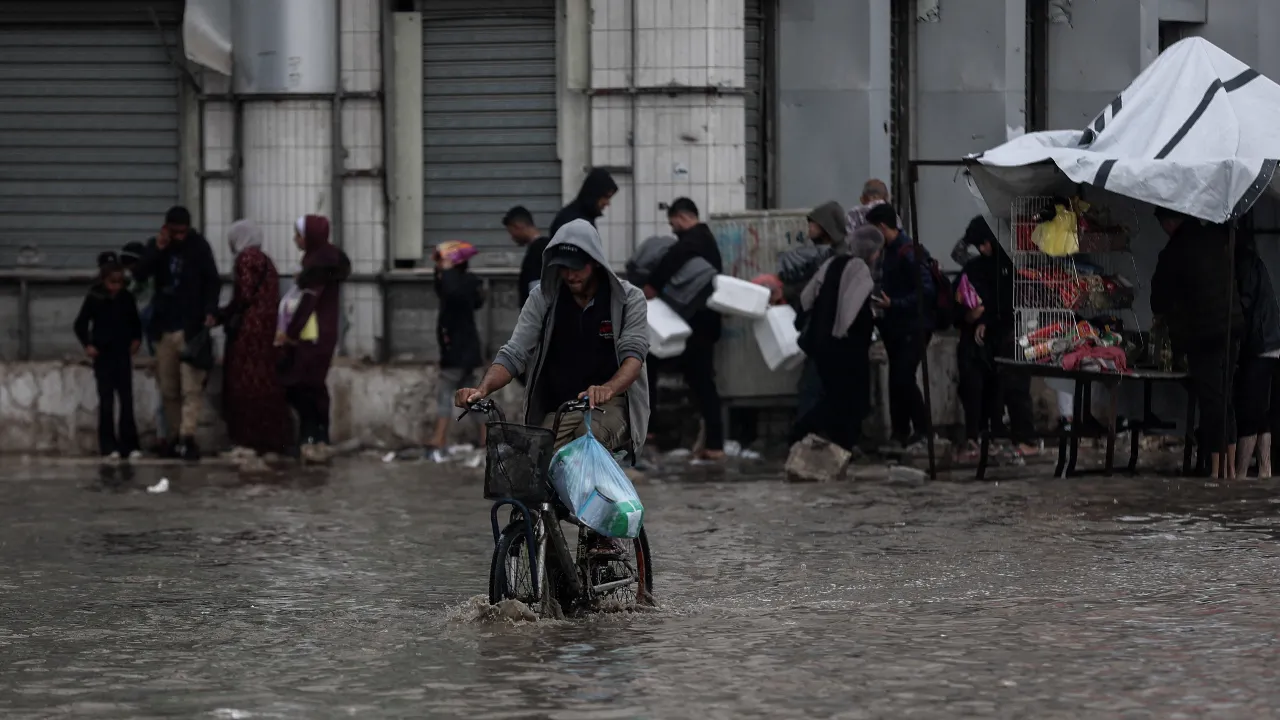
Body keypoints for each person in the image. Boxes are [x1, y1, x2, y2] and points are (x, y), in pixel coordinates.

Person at [1150, 207, 1244, 478]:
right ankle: (1230, 469)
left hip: (1204, 335)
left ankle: (1217, 472)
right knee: (1225, 399)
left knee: (1212, 402)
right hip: (1232, 328)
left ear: (1169, 222)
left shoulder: (1174, 251)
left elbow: (1159, 301)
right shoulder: (1215, 238)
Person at [129, 205, 221, 461]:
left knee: (191, 388)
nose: (179, 237)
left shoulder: (199, 247)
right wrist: (158, 248)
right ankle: (173, 436)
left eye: (183, 232)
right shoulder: (157, 247)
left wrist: (210, 310)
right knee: (169, 388)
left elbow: (212, 281)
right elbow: (139, 273)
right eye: (174, 232)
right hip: (163, 328)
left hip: (190, 327)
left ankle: (187, 436)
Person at [643, 197, 725, 460]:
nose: (673, 229)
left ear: (683, 217)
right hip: (699, 325)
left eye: (673, 223)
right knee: (698, 381)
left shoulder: (696, 240)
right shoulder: (704, 241)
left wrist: (653, 284)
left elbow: (674, 257)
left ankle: (713, 443)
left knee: (700, 381)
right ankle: (710, 441)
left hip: (698, 326)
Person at [791, 225, 882, 452]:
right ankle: (810, 434)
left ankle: (835, 443)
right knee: (848, 399)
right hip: (845, 345)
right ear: (871, 250)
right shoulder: (860, 269)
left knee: (833, 394)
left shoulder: (832, 262)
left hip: (820, 341)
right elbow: (852, 308)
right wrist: (847, 331)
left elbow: (806, 297)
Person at [953, 216, 1036, 460]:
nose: (982, 249)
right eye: (978, 245)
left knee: (1011, 388)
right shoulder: (975, 268)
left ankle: (1015, 436)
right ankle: (976, 435)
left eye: (985, 243)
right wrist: (969, 316)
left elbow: (1011, 302)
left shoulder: (1014, 267)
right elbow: (958, 298)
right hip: (978, 343)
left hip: (1010, 336)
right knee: (972, 385)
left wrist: (987, 318)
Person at [277, 215, 351, 463]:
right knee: (310, 384)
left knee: (305, 383)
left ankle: (313, 435)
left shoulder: (318, 266)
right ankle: (317, 436)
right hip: (317, 333)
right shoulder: (319, 261)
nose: (295, 240)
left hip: (313, 335)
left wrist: (291, 333)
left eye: (299, 235)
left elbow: (308, 302)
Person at [214, 220, 291, 456]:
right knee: (266, 382)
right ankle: (271, 439)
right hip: (268, 330)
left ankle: (247, 439)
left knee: (243, 384)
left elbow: (244, 295)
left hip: (248, 332)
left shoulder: (245, 259)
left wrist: (223, 315)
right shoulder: (267, 261)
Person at [867, 202, 935, 450]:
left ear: (882, 227)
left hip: (914, 326)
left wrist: (894, 303)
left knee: (903, 378)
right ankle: (900, 432)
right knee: (896, 380)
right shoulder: (887, 253)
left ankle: (924, 430)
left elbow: (926, 291)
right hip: (894, 326)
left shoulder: (908, 251)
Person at [778, 200, 850, 425]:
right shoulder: (827, 254)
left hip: (828, 334)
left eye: (814, 224)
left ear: (826, 227)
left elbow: (817, 288)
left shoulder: (837, 256)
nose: (809, 228)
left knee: (813, 387)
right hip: (821, 332)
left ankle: (808, 434)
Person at [74, 255, 142, 461]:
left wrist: (136, 340)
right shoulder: (95, 297)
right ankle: (108, 445)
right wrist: (88, 345)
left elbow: (135, 322)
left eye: (120, 282)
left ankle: (129, 444)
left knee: (126, 399)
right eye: (112, 282)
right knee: (106, 400)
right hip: (103, 354)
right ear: (104, 280)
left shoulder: (126, 298)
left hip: (122, 352)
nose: (116, 287)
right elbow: (80, 324)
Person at [429, 241, 485, 460]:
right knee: (471, 396)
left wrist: (446, 271)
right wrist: (441, 272)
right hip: (464, 350)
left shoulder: (459, 284)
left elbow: (451, 292)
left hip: (457, 350)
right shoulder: (463, 282)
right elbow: (443, 290)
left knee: (445, 392)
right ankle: (485, 437)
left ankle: (439, 438)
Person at [1233, 233, 1280, 477]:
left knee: (1250, 413)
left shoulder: (1244, 265)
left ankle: (1240, 474)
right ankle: (1265, 470)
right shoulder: (1254, 263)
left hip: (1260, 345)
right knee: (1262, 414)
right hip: (1271, 343)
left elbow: (1243, 306)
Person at [120, 240, 168, 444]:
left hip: (162, 341)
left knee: (167, 388)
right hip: (155, 341)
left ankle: (165, 436)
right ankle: (163, 435)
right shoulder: (140, 287)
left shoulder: (153, 289)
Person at [548, 168, 618, 239]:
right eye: (606, 197)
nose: (607, 203)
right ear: (594, 194)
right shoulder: (573, 222)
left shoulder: (583, 218)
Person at [503, 206, 550, 307]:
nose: (512, 237)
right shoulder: (545, 247)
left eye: (511, 232)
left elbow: (536, 288)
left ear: (518, 225)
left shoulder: (536, 251)